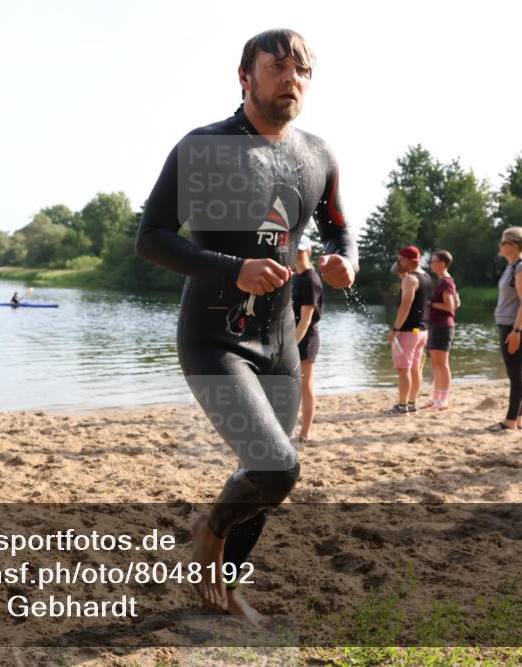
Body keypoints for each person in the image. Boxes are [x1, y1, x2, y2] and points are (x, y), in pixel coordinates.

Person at [135, 29, 358, 622]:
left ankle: (227, 588)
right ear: (245, 76)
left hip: (280, 338)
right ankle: (209, 534)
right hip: (214, 338)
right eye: (278, 66)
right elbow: (151, 238)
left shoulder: (318, 155)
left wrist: (345, 259)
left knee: (267, 476)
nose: (291, 78)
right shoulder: (202, 147)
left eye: (301, 70)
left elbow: (339, 225)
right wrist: (234, 269)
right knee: (276, 466)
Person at [488, 227, 522, 431]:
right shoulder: (513, 266)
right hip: (508, 325)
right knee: (517, 373)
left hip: (514, 326)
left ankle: (510, 422)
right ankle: (517, 420)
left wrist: (516, 331)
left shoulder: (521, 268)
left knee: (516, 374)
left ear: (513, 246)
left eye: (503, 242)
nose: (500, 245)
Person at [386, 246, 431, 415]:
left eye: (400, 259)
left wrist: (396, 329)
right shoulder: (425, 277)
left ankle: (402, 405)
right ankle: (412, 403)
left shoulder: (410, 280)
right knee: (414, 368)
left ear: (409, 260)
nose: (398, 262)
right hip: (422, 331)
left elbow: (406, 305)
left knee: (403, 369)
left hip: (407, 331)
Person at [292, 236, 323, 441]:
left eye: (301, 250)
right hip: (293, 335)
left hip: (306, 338)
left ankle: (305, 432)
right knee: (291, 385)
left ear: (309, 252)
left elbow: (305, 319)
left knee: (306, 385)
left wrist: (292, 346)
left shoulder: (310, 279)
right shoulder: (296, 277)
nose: (297, 254)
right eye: (295, 250)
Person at [423, 250, 457, 410]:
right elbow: (456, 302)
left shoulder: (446, 282)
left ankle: (443, 399)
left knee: (442, 364)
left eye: (434, 261)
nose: (431, 264)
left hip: (443, 326)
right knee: (435, 363)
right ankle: (436, 396)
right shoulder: (443, 281)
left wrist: (430, 304)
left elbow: (449, 306)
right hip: (436, 325)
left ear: (442, 264)